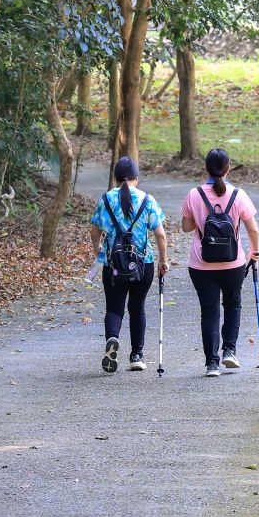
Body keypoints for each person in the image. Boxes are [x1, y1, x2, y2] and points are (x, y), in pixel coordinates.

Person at [181, 148, 259, 377]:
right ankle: (229, 351)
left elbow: (186, 228)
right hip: (233, 263)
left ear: (206, 168)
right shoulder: (239, 195)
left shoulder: (194, 194)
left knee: (209, 311)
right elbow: (253, 228)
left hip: (201, 264)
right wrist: (254, 252)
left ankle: (212, 364)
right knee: (233, 304)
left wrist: (199, 220)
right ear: (228, 169)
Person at [90, 157, 169, 373]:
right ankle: (136, 356)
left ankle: (113, 338)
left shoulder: (106, 199)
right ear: (137, 178)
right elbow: (160, 235)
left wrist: (98, 249)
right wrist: (164, 260)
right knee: (137, 308)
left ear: (115, 178)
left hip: (112, 264)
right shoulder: (147, 199)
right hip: (143, 263)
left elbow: (95, 230)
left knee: (114, 308)